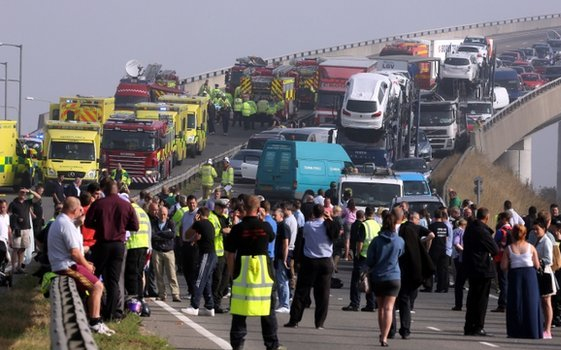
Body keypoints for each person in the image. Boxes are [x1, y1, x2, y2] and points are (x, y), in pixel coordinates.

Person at [48, 197, 115, 336]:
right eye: (80, 210)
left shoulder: (61, 222)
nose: (81, 212)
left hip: (64, 264)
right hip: (66, 266)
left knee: (92, 287)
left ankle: (93, 319)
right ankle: (95, 322)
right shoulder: (66, 225)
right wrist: (87, 266)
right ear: (76, 209)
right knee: (97, 286)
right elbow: (74, 253)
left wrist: (85, 263)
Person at [224, 195, 283, 350]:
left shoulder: (238, 229)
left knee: (239, 312)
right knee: (268, 312)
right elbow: (271, 238)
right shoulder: (265, 227)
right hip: (264, 273)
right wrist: (262, 219)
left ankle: (237, 345)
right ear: (258, 209)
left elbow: (230, 254)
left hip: (242, 273)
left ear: (244, 207)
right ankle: (271, 345)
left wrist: (232, 274)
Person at [84, 179, 139, 321]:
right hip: (118, 245)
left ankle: (92, 308)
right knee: (113, 281)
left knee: (95, 277)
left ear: (104, 190)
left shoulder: (98, 204)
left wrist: (101, 225)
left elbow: (88, 222)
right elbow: (135, 226)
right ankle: (111, 314)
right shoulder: (126, 205)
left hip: (102, 244)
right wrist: (120, 226)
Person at [285, 204, 339, 329]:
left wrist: (296, 259)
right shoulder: (329, 226)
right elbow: (335, 233)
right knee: (323, 294)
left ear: (313, 213)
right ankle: (319, 323)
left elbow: (301, 241)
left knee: (301, 292)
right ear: (324, 213)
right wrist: (329, 218)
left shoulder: (308, 226)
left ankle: (294, 320)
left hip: (309, 261)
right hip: (325, 261)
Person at [392, 211, 434, 339]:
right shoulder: (412, 230)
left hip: (392, 271)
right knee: (405, 300)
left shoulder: (393, 230)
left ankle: (390, 329)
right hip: (408, 271)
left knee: (390, 303)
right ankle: (405, 329)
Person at [367, 212, 405, 347]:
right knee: (389, 308)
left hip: (379, 276)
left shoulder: (377, 241)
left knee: (381, 308)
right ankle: (384, 337)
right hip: (394, 276)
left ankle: (382, 332)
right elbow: (401, 254)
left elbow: (370, 259)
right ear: (395, 224)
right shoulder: (400, 240)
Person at [500, 224, 542, 339]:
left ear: (513, 234)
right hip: (529, 275)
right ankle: (532, 330)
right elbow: (537, 265)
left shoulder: (509, 249)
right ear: (525, 234)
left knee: (515, 302)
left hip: (515, 275)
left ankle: (516, 330)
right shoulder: (531, 247)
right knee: (531, 302)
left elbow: (503, 266)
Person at [462, 207, 498, 336]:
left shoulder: (470, 228)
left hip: (471, 266)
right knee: (481, 300)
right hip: (482, 267)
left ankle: (469, 325)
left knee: (472, 297)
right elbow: (495, 249)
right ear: (487, 218)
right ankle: (478, 326)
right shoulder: (482, 231)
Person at [182, 207, 218, 317]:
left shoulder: (200, 224)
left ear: (199, 214)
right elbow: (199, 237)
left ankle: (194, 306)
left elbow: (186, 235)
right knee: (206, 281)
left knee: (199, 279)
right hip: (213, 255)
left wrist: (194, 222)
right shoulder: (209, 224)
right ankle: (209, 306)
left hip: (206, 255)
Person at [342, 206, 379, 312]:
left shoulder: (364, 225)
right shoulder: (378, 225)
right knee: (370, 281)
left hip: (363, 256)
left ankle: (354, 303)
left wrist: (357, 253)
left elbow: (360, 242)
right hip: (374, 256)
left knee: (357, 281)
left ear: (365, 214)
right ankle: (371, 304)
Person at [532, 216, 557, 339]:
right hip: (539, 274)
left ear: (543, 228)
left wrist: (538, 261)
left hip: (546, 274)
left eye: (537, 229)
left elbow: (549, 260)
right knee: (542, 303)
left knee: (547, 303)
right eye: (534, 230)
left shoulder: (546, 241)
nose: (535, 232)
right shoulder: (538, 240)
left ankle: (547, 329)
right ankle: (543, 327)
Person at [151, 206, 181, 302]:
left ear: (167, 214)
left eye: (164, 214)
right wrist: (164, 234)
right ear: (158, 214)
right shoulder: (154, 223)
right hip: (157, 251)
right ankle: (161, 294)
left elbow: (172, 235)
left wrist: (159, 234)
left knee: (172, 274)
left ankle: (175, 294)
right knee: (159, 274)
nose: (163, 216)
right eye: (161, 214)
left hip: (169, 251)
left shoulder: (170, 223)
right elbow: (152, 236)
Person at [9, 187, 41, 273]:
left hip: (26, 228)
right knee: (15, 248)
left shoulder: (27, 202)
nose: (23, 194)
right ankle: (13, 268)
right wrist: (16, 218)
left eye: (24, 193)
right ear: (18, 193)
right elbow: (9, 215)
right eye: (21, 193)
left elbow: (38, 197)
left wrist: (30, 191)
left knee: (23, 248)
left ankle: (19, 266)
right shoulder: (13, 203)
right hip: (17, 229)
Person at [124, 200, 152, 301]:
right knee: (139, 274)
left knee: (131, 274)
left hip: (133, 245)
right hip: (144, 245)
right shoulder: (142, 212)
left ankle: (133, 299)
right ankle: (140, 298)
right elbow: (149, 230)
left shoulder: (129, 210)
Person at [209, 201, 231, 314]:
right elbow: (211, 231)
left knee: (225, 279)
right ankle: (213, 303)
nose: (223, 211)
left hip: (226, 252)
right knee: (217, 279)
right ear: (216, 207)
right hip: (217, 252)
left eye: (225, 209)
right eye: (221, 208)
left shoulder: (225, 217)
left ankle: (217, 301)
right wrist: (222, 231)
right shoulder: (211, 217)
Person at [491, 211, 512, 313]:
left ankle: (502, 304)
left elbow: (494, 245)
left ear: (504, 219)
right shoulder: (513, 230)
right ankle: (508, 302)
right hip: (511, 259)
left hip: (500, 258)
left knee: (502, 282)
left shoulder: (501, 231)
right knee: (508, 281)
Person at [423, 209, 448, 293]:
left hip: (434, 249)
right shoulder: (445, 226)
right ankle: (441, 287)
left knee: (430, 268)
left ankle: (428, 286)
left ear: (434, 216)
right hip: (443, 249)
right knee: (442, 270)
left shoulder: (432, 226)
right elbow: (446, 238)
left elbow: (430, 239)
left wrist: (427, 249)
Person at [180, 195, 199, 297]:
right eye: (190, 203)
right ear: (187, 204)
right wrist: (181, 240)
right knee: (185, 268)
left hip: (194, 244)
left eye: (193, 203)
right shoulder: (185, 214)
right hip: (185, 244)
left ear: (196, 203)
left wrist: (195, 240)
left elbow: (199, 229)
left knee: (193, 268)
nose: (192, 205)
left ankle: (193, 291)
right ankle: (190, 289)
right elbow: (182, 227)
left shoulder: (198, 214)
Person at [273, 208, 291, 313]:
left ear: (281, 216)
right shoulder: (278, 226)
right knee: (280, 281)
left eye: (275, 215)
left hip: (281, 257)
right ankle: (282, 303)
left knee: (282, 281)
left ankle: (285, 304)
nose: (274, 217)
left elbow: (286, 244)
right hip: (278, 256)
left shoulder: (283, 226)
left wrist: (284, 259)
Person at [452, 219, 468, 311]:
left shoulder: (455, 230)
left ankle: (458, 304)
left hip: (458, 257)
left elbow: (454, 243)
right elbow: (456, 242)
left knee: (459, 282)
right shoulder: (462, 232)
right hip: (462, 257)